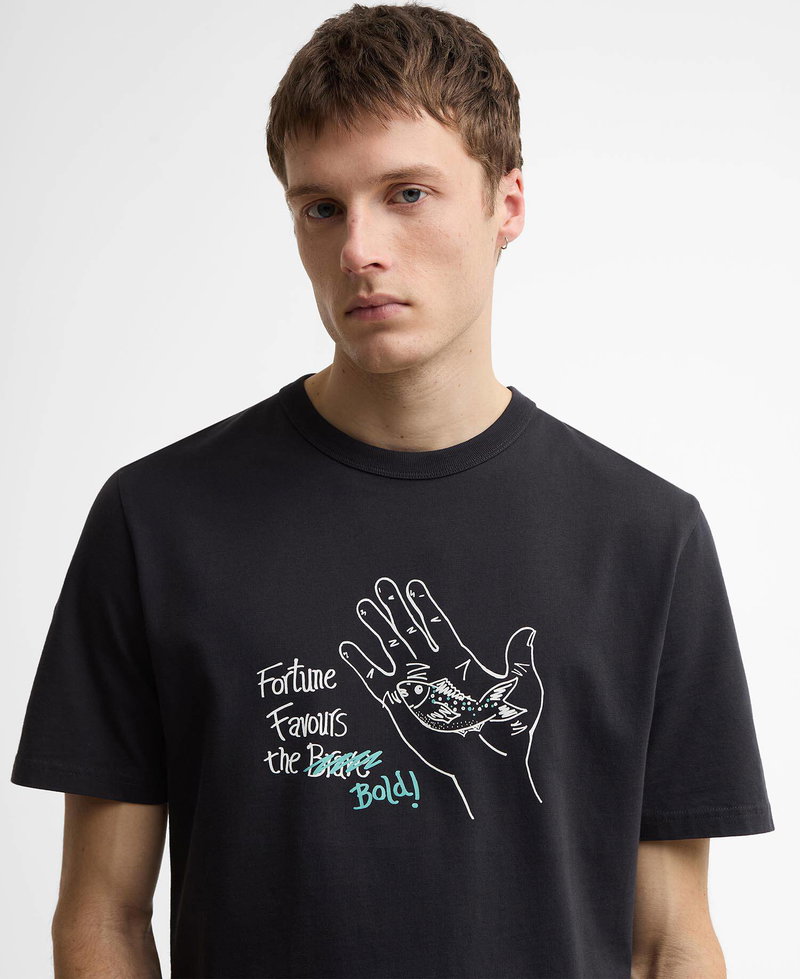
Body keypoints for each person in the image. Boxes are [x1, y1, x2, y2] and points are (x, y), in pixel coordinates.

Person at [11, 3, 774, 978]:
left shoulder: (647, 539)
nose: (357, 249)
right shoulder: (156, 522)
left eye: (407, 193)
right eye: (320, 207)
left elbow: (670, 943)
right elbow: (101, 921)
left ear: (507, 204)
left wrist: (495, 766)